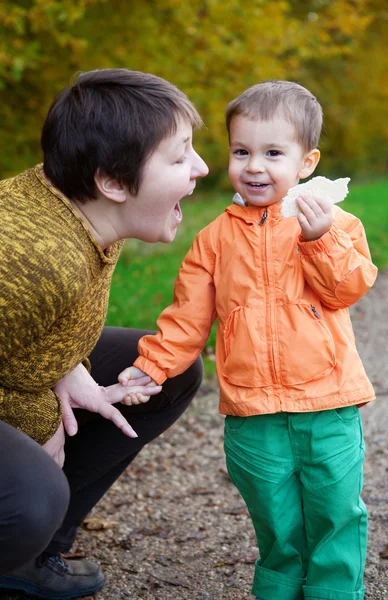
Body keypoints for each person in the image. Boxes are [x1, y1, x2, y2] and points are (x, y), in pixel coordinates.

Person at [120, 80, 377, 600]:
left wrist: (319, 239)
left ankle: (334, 592)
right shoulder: (214, 238)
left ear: (307, 161)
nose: (254, 166)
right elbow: (186, 319)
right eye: (242, 151)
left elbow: (348, 288)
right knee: (276, 519)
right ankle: (279, 589)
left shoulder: (333, 222)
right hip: (252, 412)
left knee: (335, 513)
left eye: (273, 153)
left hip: (326, 403)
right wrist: (152, 366)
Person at [0, 68, 208, 599]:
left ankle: (32, 554)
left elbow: (32, 326)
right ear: (112, 182)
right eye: (180, 156)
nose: (202, 168)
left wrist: (66, 367)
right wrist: (39, 416)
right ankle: (21, 534)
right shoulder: (35, 259)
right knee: (30, 497)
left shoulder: (76, 212)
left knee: (168, 366)